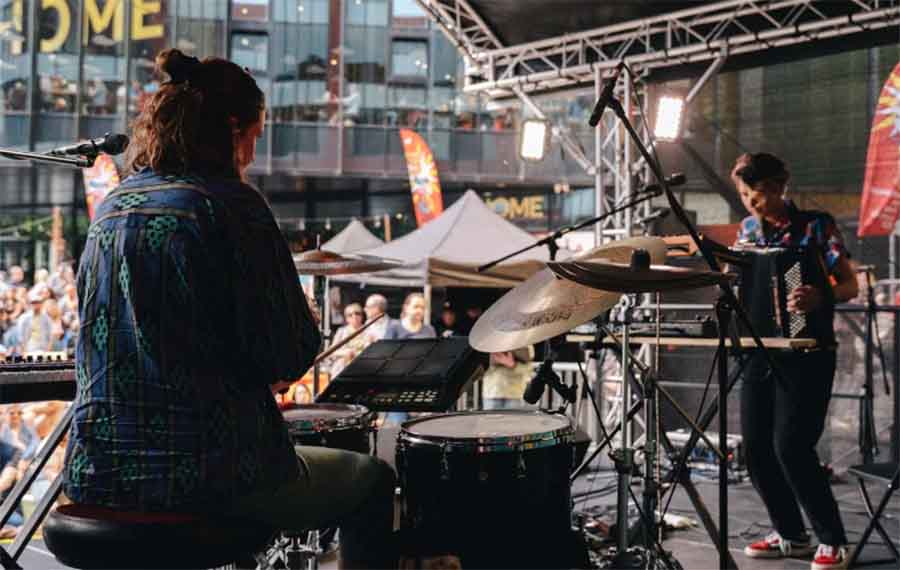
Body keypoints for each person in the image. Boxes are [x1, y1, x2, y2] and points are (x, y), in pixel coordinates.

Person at [64, 49, 395, 569]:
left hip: (96, 471)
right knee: (374, 480)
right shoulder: (230, 205)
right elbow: (286, 358)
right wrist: (299, 323)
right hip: (207, 477)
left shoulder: (112, 207)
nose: (254, 153)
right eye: (256, 137)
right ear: (234, 129)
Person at [731, 152, 858, 570]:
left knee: (792, 445)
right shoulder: (748, 230)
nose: (752, 202)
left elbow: (850, 285)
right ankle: (790, 533)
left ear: (780, 187)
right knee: (755, 448)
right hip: (759, 350)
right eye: (746, 193)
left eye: (760, 192)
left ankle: (833, 540)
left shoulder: (815, 226)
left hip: (808, 352)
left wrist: (819, 295)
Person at [326, 303, 372, 377]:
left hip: (362, 366)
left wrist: (356, 354)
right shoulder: (341, 331)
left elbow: (371, 351)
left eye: (357, 313)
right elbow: (331, 351)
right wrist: (345, 352)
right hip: (342, 366)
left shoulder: (369, 330)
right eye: (350, 315)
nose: (354, 316)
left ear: (362, 316)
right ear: (346, 318)